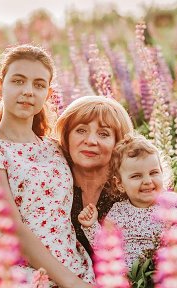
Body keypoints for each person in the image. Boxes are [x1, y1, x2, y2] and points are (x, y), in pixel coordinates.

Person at [0, 44, 94, 288]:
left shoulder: (55, 148)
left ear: (47, 94)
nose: (28, 91)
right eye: (18, 81)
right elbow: (12, 229)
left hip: (76, 267)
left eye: (38, 85)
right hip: (24, 275)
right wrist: (70, 282)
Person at [78, 133, 177, 269]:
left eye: (154, 173)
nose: (147, 181)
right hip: (131, 278)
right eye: (136, 176)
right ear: (120, 184)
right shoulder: (119, 211)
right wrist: (91, 226)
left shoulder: (174, 203)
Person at [54, 95, 134, 257]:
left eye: (103, 134)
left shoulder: (131, 190)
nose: (90, 141)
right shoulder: (50, 184)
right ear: (67, 136)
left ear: (118, 143)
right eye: (81, 130)